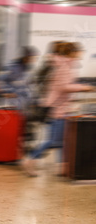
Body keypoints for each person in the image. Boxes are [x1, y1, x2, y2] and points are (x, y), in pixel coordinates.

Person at [22, 42, 94, 177]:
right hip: (57, 109)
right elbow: (64, 87)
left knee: (62, 140)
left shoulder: (66, 65)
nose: (81, 53)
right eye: (79, 51)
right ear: (72, 52)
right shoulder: (64, 66)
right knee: (54, 141)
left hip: (62, 108)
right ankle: (30, 159)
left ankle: (61, 167)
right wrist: (84, 87)